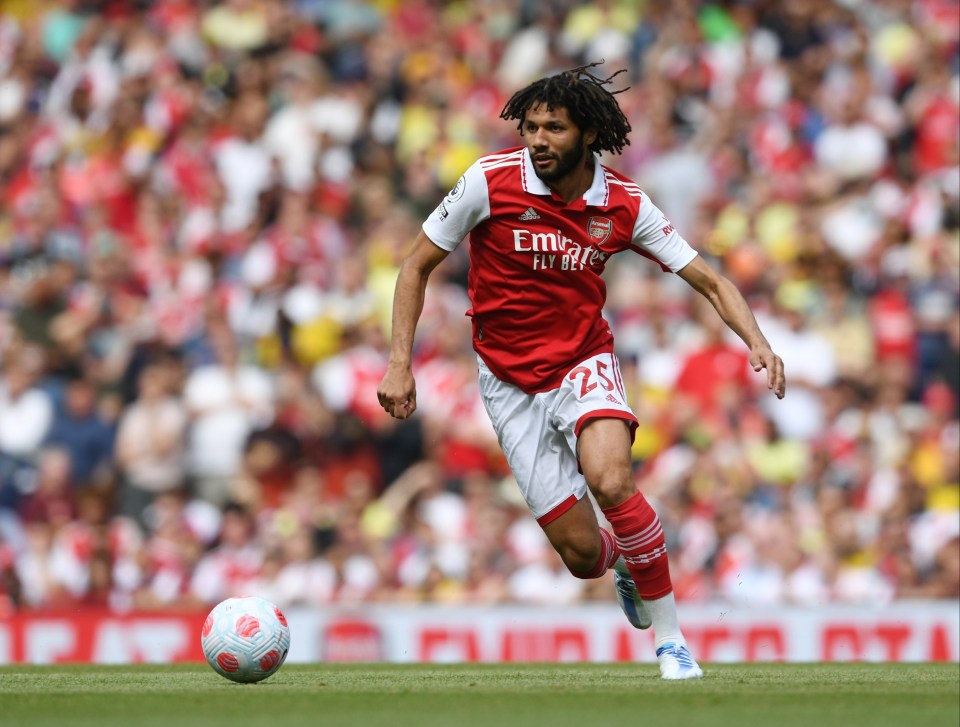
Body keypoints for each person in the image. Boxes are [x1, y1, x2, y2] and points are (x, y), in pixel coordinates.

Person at [377, 63, 786, 680]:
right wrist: (399, 364)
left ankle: (671, 642)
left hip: (583, 360)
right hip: (507, 380)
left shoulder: (623, 203)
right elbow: (414, 267)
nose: (538, 140)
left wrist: (756, 340)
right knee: (581, 556)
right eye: (531, 127)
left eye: (554, 128)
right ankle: (625, 563)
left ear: (588, 134)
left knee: (612, 480)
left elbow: (709, 279)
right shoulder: (489, 182)